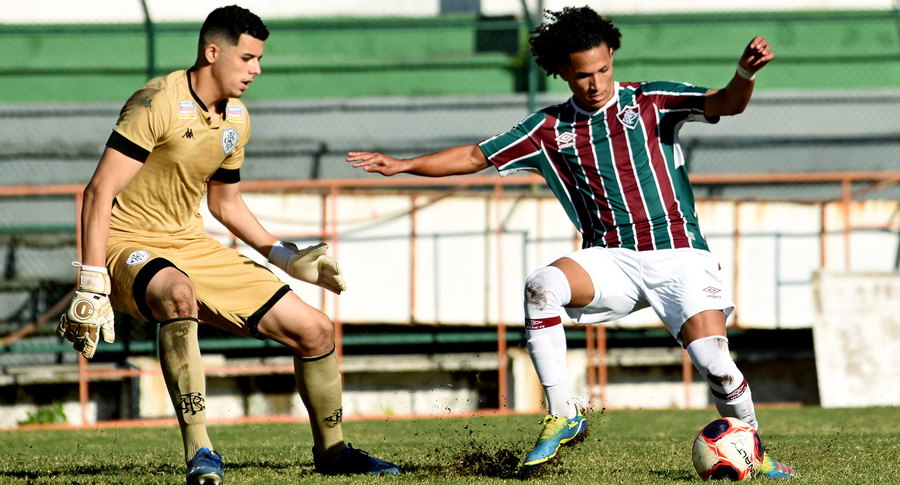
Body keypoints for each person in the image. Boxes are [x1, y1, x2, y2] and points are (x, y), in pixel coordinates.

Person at [346, 6, 796, 479]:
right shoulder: (547, 129)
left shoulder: (652, 101)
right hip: (611, 258)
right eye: (583, 75)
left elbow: (727, 102)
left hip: (679, 253)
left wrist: (744, 73)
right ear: (562, 71)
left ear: (612, 57)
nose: (596, 83)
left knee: (716, 365)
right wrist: (404, 164)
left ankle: (755, 452)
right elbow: (475, 156)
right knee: (541, 286)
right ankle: (563, 413)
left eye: (603, 70)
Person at [57, 5, 400, 484]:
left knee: (316, 330)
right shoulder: (156, 102)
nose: (256, 70)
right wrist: (92, 282)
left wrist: (286, 257)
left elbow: (226, 203)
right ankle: (201, 451)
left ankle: (334, 453)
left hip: (189, 244)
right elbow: (99, 191)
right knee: (178, 293)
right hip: (126, 243)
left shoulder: (236, 118)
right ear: (213, 53)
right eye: (247, 59)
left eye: (259, 60)